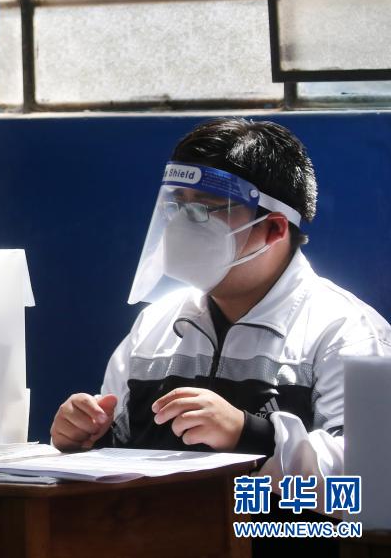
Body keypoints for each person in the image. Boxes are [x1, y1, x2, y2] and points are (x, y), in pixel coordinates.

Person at [50, 118, 390, 492]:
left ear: (274, 228)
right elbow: (121, 451)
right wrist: (88, 436)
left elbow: (369, 482)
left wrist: (251, 435)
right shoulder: (156, 325)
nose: (182, 225)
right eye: (177, 207)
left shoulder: (345, 333)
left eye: (206, 209)